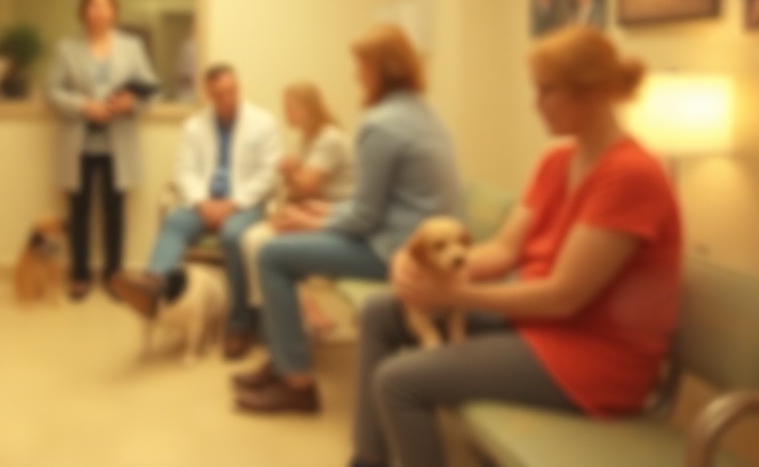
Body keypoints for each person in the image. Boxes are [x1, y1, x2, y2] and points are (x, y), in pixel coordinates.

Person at [344, 26, 681, 467]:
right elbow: (503, 251)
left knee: (399, 382)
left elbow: (563, 297)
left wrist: (454, 295)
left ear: (594, 93)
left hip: (593, 359)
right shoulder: (557, 161)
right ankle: (367, 460)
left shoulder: (630, 175)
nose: (535, 104)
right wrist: (418, 265)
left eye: (547, 92)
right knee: (381, 312)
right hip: (539, 327)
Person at [234, 25, 462, 413]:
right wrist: (324, 212)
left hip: (401, 250)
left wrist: (309, 221)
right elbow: (378, 204)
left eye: (360, 65)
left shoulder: (381, 123)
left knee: (273, 254)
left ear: (380, 69)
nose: (355, 75)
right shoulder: (422, 113)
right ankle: (283, 359)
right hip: (412, 238)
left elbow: (366, 217)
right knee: (277, 247)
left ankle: (297, 382)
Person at [110, 64, 281, 359]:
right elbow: (184, 170)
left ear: (237, 88)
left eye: (230, 91)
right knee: (175, 221)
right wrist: (203, 203)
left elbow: (269, 174)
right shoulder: (194, 125)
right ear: (208, 94)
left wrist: (233, 204)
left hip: (244, 205)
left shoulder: (263, 123)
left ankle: (238, 324)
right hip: (203, 204)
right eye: (218, 94)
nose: (225, 98)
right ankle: (153, 287)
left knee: (232, 236)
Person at [46, 0, 158, 301]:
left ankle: (113, 274)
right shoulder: (66, 49)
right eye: (93, 5)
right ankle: (79, 274)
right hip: (77, 143)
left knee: (114, 212)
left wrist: (129, 105)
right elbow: (51, 92)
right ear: (84, 11)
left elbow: (149, 90)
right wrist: (85, 106)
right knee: (78, 212)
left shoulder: (132, 46)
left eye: (105, 5)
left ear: (114, 12)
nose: (99, 12)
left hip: (118, 144)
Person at [239, 82, 355, 337]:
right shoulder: (308, 139)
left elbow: (308, 187)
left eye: (290, 108)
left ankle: (286, 314)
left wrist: (290, 170)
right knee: (250, 238)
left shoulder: (329, 139)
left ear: (308, 109)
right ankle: (278, 313)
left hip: (336, 217)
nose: (286, 114)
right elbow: (300, 190)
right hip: (316, 211)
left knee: (258, 241)